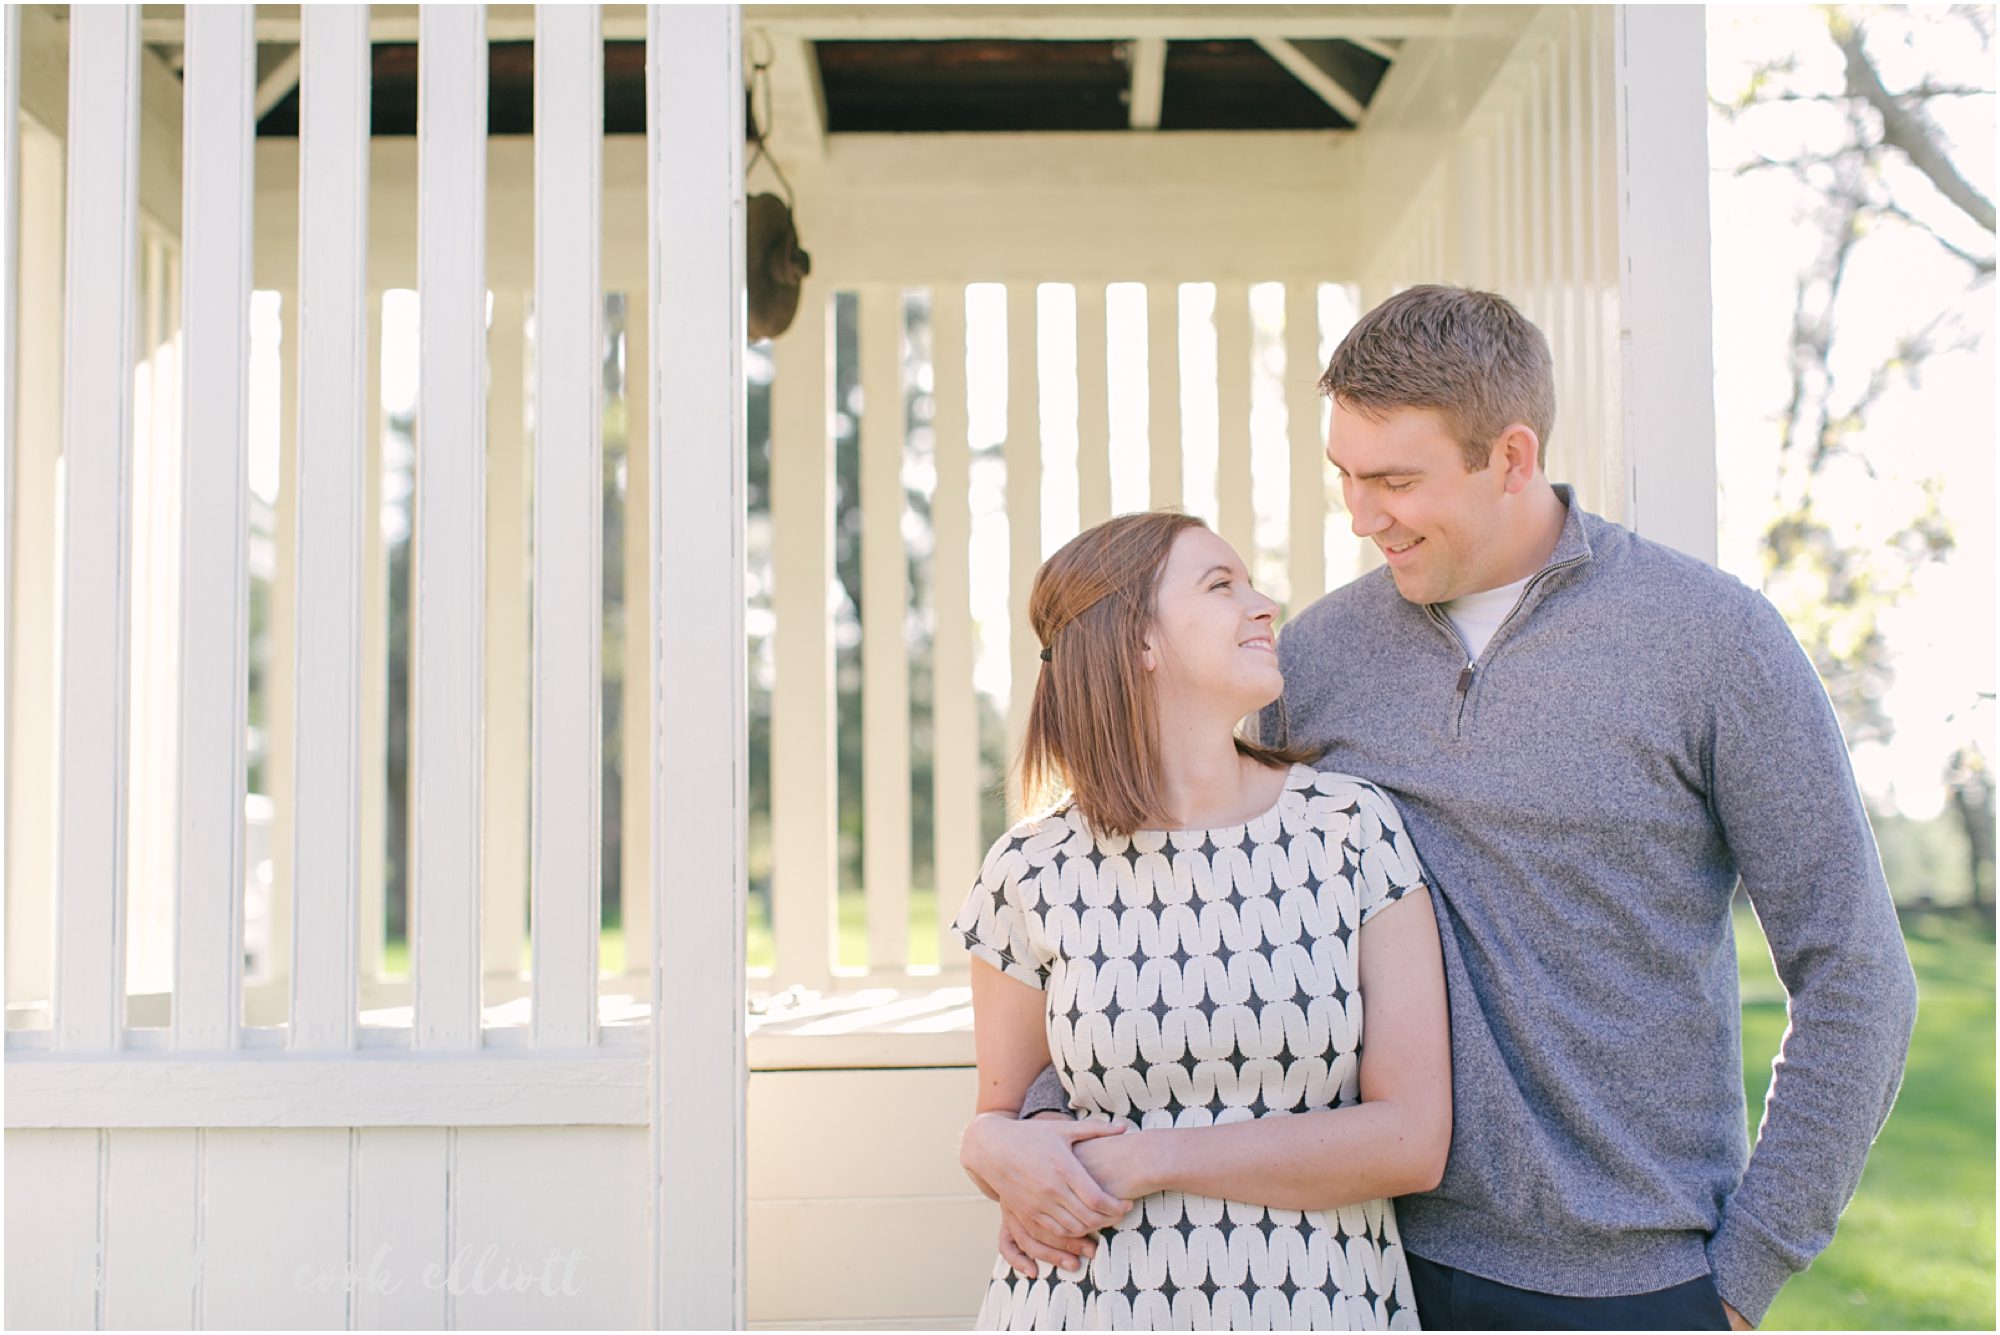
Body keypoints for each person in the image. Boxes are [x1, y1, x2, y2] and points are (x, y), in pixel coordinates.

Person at [993, 286, 1918, 1330]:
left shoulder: (1712, 641)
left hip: (1637, 1283)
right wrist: (1023, 1128)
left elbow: (1854, 971)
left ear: (1510, 458)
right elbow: (1158, 905)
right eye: (1344, 476)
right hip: (1365, 1269)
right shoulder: (1315, 658)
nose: (1360, 514)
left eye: (1394, 479)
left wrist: (1748, 1271)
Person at [952, 510, 1451, 1330]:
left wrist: (1152, 1156)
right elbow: (1003, 1121)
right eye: (1222, 586)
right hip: (1087, 1305)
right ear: (1137, 641)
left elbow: (1413, 1139)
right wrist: (990, 1149)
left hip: (1317, 1305)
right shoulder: (1030, 870)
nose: (1263, 605)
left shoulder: (1350, 829)